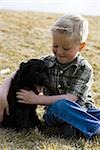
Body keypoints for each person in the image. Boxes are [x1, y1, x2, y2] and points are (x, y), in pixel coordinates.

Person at [0, 14, 100, 139]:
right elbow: (18, 73)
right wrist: (2, 94)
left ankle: (74, 128)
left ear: (81, 46)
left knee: (92, 112)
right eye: (55, 46)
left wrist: (35, 99)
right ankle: (95, 129)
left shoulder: (84, 68)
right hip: (55, 112)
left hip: (84, 110)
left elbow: (71, 98)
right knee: (61, 105)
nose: (59, 52)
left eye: (66, 48)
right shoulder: (47, 62)